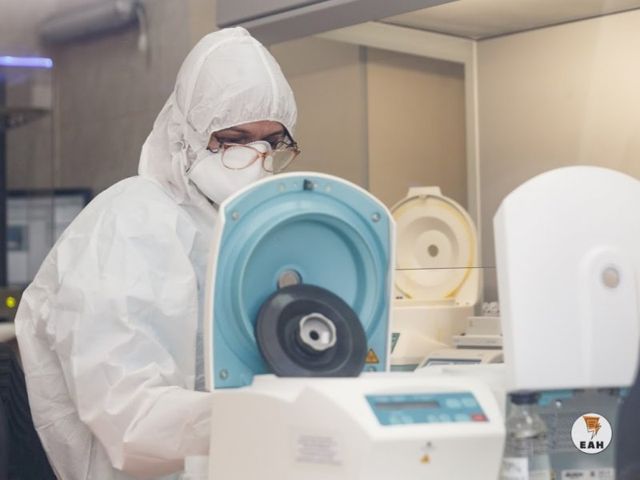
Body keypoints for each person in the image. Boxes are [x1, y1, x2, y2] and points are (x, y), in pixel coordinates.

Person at [15, 27, 298, 480]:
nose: (255, 159)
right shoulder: (131, 220)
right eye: (234, 139)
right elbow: (131, 421)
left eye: (272, 142)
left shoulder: (233, 229)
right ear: (186, 133)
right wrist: (269, 415)